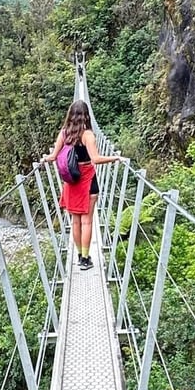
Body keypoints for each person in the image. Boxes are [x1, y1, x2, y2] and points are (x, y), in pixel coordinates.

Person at [42, 100, 122, 269]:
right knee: (87, 222)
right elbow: (96, 159)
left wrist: (44, 159)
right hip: (87, 182)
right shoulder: (88, 135)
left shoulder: (64, 134)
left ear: (70, 115)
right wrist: (116, 158)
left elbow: (53, 156)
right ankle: (86, 259)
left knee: (75, 222)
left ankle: (79, 255)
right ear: (86, 116)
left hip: (71, 183)